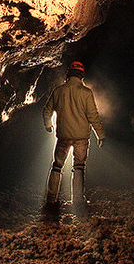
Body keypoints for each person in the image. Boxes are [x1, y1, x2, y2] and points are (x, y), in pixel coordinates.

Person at [42, 61, 105, 211]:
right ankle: (77, 201)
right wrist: (100, 134)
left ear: (68, 74)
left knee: (57, 166)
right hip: (81, 137)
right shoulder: (86, 93)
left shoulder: (58, 91)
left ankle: (51, 200)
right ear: (82, 75)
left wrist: (48, 125)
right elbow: (93, 116)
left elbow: (46, 111)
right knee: (79, 167)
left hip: (63, 135)